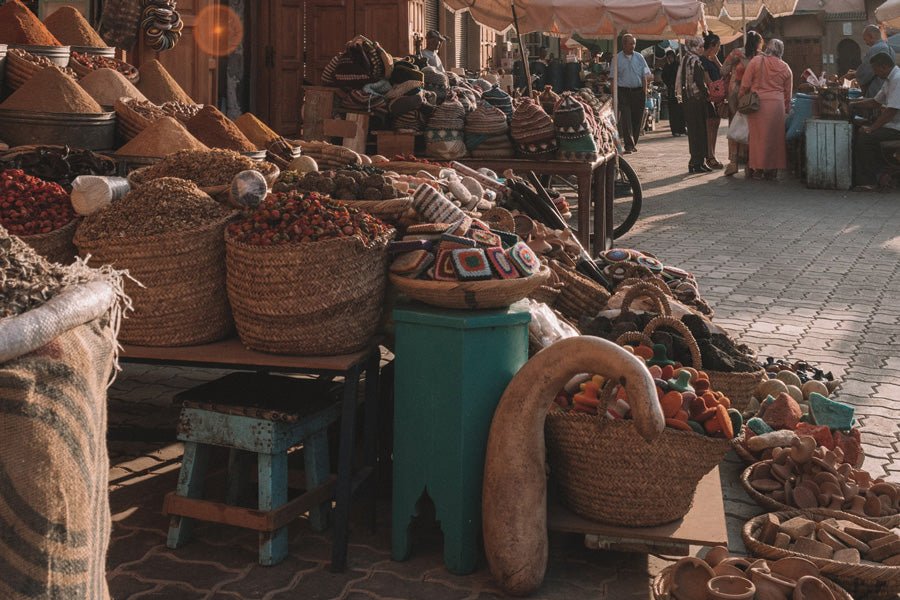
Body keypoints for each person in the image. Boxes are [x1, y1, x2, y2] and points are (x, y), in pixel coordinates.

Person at [740, 39, 792, 180]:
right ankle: (772, 169)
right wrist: (786, 108)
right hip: (777, 106)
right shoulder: (786, 67)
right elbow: (788, 94)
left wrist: (741, 97)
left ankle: (758, 168)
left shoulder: (756, 61)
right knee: (775, 139)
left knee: (757, 137)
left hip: (758, 104)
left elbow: (745, 84)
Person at [851, 52, 900, 191]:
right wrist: (853, 103)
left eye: (875, 69)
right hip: (893, 125)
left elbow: (892, 110)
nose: (874, 72)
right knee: (862, 131)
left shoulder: (898, 79)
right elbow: (876, 102)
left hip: (897, 128)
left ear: (884, 67)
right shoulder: (890, 80)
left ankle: (869, 181)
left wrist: (872, 128)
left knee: (866, 138)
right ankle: (880, 172)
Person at [722, 31, 764, 176]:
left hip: (735, 95)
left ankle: (733, 162)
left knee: (735, 126)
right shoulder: (761, 57)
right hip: (753, 97)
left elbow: (723, 70)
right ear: (759, 43)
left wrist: (733, 71)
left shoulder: (736, 53)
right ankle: (749, 164)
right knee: (751, 128)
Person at [676, 37, 711, 173]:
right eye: (701, 46)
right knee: (699, 131)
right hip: (696, 100)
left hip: (687, 100)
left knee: (693, 131)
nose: (702, 49)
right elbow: (699, 82)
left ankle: (697, 161)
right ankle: (697, 161)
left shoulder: (685, 59)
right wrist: (707, 94)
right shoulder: (694, 60)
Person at [616, 33, 652, 153]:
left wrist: (645, 91)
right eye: (631, 43)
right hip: (623, 91)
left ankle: (633, 143)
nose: (633, 46)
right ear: (624, 44)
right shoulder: (617, 58)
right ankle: (628, 145)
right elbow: (613, 78)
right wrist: (614, 95)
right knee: (626, 118)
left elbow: (645, 75)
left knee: (637, 119)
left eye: (634, 43)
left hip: (638, 91)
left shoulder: (640, 57)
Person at [846, 25, 896, 99]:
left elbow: (866, 71)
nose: (866, 43)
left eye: (865, 39)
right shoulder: (890, 48)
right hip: (889, 89)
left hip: (877, 89)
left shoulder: (875, 49)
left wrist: (854, 75)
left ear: (871, 36)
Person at [700, 33, 724, 170]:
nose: (719, 49)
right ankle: (710, 156)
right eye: (718, 46)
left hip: (717, 98)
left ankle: (712, 155)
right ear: (713, 45)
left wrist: (716, 61)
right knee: (710, 128)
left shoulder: (712, 60)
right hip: (709, 98)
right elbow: (707, 81)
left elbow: (723, 72)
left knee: (715, 126)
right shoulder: (702, 61)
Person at [661, 49, 685, 136]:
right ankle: (675, 130)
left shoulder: (678, 66)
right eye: (668, 57)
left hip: (679, 91)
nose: (670, 59)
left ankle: (682, 129)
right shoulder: (666, 67)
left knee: (680, 111)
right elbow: (664, 77)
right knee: (673, 112)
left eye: (671, 57)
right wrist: (669, 84)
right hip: (671, 92)